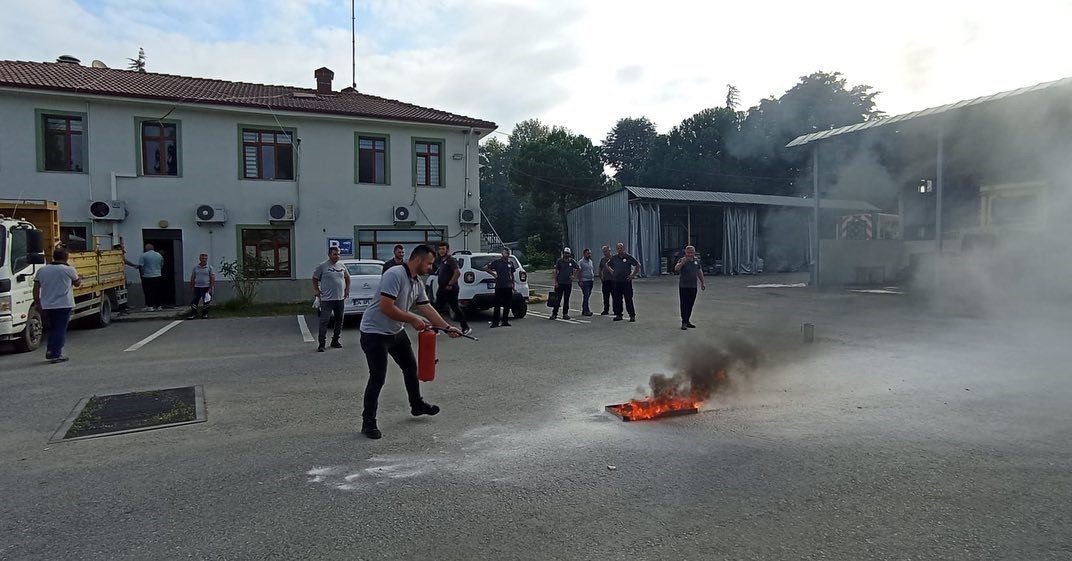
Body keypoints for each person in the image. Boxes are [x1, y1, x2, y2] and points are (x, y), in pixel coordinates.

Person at [358, 245, 462, 439]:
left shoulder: (417, 282)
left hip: (396, 331)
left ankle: (417, 405)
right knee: (378, 377)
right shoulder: (394, 274)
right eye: (429, 263)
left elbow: (426, 307)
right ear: (418, 260)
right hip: (374, 332)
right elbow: (386, 307)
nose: (431, 267)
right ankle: (368, 423)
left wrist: (446, 327)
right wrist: (413, 319)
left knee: (410, 368)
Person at [32, 247, 82, 363]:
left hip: (47, 304)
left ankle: (51, 350)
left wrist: (37, 302)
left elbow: (36, 287)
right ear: (66, 257)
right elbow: (77, 284)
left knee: (52, 328)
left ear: (54, 256)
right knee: (60, 329)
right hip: (63, 304)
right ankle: (56, 354)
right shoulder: (69, 270)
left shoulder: (42, 270)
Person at [313, 246, 350, 352]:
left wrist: (347, 289)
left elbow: (347, 278)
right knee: (324, 321)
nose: (337, 256)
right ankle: (321, 344)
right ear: (329, 255)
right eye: (335, 254)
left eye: (338, 254)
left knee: (339, 320)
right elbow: (315, 278)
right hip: (327, 299)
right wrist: (316, 290)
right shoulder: (322, 266)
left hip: (339, 298)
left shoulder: (342, 265)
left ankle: (335, 340)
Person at [434, 242, 472, 335]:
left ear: (447, 250)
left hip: (450, 289)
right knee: (437, 309)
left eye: (443, 249)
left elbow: (457, 272)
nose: (441, 251)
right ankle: (435, 329)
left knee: (455, 308)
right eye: (440, 249)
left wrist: (450, 284)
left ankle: (466, 328)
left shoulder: (451, 260)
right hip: (442, 288)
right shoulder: (443, 260)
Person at [605, 242, 640, 322]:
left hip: (626, 281)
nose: (619, 250)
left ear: (624, 248)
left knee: (628, 299)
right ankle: (618, 314)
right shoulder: (614, 258)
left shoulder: (628, 257)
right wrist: (612, 272)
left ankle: (632, 315)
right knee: (617, 299)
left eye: (621, 248)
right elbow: (607, 264)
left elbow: (637, 265)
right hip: (617, 281)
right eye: (618, 248)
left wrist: (632, 275)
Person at [674, 245, 706, 330]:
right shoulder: (682, 260)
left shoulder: (696, 261)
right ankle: (684, 322)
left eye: (691, 252)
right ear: (685, 253)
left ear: (694, 253)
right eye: (688, 252)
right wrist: (682, 263)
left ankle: (687, 320)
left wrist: (702, 282)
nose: (690, 254)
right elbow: (676, 269)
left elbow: (699, 272)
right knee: (684, 305)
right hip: (684, 287)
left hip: (693, 286)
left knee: (690, 305)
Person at [483, 247, 516, 328]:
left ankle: (505, 321)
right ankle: (495, 322)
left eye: (508, 253)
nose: (507, 255)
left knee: (507, 305)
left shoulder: (510, 263)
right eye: (505, 253)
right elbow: (485, 268)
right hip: (499, 286)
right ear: (502, 253)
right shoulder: (497, 262)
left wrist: (513, 286)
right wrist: (494, 274)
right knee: (497, 305)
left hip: (508, 286)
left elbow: (512, 275)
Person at [550, 247, 580, 320]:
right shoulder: (559, 261)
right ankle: (554, 313)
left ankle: (565, 313)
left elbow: (578, 268)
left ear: (570, 254)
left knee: (566, 299)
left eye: (567, 253)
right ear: (563, 254)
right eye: (565, 253)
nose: (566, 255)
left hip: (568, 283)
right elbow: (556, 272)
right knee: (557, 299)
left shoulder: (572, 261)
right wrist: (555, 282)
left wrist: (574, 276)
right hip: (560, 283)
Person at [188, 253, 215, 319]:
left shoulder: (209, 267)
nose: (204, 260)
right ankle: (193, 314)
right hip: (197, 287)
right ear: (200, 259)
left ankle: (205, 314)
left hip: (206, 287)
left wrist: (211, 287)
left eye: (205, 259)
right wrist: (192, 286)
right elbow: (193, 277)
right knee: (194, 301)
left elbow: (212, 278)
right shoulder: (196, 268)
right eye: (202, 258)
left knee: (206, 301)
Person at [139, 243, 164, 310]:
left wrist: (142, 275)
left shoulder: (143, 255)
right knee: (158, 291)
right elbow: (161, 265)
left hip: (147, 276)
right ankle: (159, 306)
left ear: (146, 248)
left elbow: (141, 267)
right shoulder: (159, 255)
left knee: (148, 292)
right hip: (158, 276)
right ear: (153, 248)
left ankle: (150, 306)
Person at [578, 248, 596, 316]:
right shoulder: (581, 262)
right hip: (584, 281)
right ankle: (586, 310)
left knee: (587, 296)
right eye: (588, 253)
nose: (589, 255)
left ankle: (584, 310)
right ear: (584, 254)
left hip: (590, 280)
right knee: (586, 295)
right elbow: (578, 272)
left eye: (590, 253)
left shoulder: (590, 261)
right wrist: (580, 281)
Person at [597, 245, 614, 315]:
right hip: (605, 281)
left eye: (606, 251)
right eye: (604, 252)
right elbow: (600, 269)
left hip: (613, 281)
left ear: (610, 251)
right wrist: (601, 277)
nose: (605, 253)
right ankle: (606, 310)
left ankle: (616, 310)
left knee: (615, 296)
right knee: (605, 297)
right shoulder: (603, 260)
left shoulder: (614, 259)